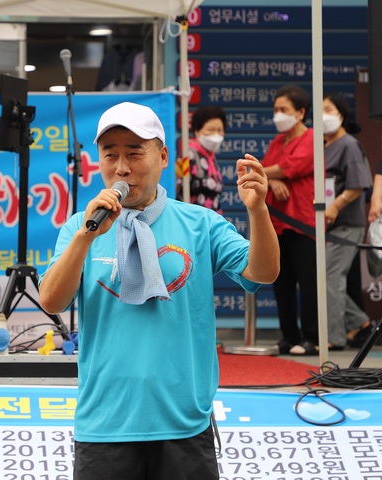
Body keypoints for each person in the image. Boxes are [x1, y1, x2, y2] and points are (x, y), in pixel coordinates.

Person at [38, 102, 279, 480]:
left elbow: (263, 272)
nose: (122, 167)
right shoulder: (79, 228)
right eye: (110, 154)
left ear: (163, 156)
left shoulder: (201, 223)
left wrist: (258, 211)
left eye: (135, 152)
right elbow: (52, 300)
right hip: (104, 424)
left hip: (183, 423)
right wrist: (86, 237)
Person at [260, 85, 318, 356]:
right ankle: (288, 336)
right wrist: (271, 179)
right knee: (281, 281)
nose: (278, 115)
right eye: (275, 110)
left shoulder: (311, 139)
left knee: (307, 283)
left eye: (284, 110)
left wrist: (268, 174)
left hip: (302, 221)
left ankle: (312, 338)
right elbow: (271, 170)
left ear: (301, 112)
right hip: (277, 223)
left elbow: (289, 168)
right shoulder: (276, 141)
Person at [322, 93, 373, 349]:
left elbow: (359, 184)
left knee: (331, 277)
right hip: (328, 225)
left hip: (347, 223)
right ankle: (360, 322)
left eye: (328, 109)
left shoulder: (349, 145)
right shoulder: (324, 146)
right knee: (326, 277)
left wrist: (336, 205)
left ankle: (334, 337)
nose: (323, 116)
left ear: (341, 115)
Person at [177, 105, 227, 213]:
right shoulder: (186, 156)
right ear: (197, 131)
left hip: (213, 223)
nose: (216, 135)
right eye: (210, 130)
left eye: (220, 130)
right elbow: (175, 188)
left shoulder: (212, 159)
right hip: (192, 223)